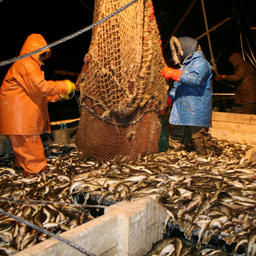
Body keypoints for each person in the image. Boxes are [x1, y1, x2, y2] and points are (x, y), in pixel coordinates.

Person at [0, 33, 76, 174]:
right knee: (33, 152)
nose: (43, 56)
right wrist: (64, 86)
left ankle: (23, 169)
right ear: (35, 49)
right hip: (20, 118)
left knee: (23, 148)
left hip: (17, 117)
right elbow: (39, 87)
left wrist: (59, 96)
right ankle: (37, 173)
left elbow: (37, 95)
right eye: (42, 53)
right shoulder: (26, 63)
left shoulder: (27, 65)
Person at [161, 36, 215, 155]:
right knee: (176, 139)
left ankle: (210, 163)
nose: (177, 55)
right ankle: (173, 160)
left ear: (185, 49)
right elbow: (177, 87)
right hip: (181, 112)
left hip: (196, 110)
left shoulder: (201, 63)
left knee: (199, 140)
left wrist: (173, 73)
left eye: (178, 52)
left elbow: (195, 79)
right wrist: (169, 99)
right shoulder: (185, 66)